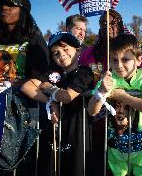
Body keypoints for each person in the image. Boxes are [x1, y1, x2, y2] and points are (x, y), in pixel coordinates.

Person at [0, 0, 49, 175]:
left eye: (10, 5)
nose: (4, 8)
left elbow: (36, 80)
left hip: (16, 115)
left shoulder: (34, 40)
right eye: (1, 4)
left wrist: (0, 89)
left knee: (8, 169)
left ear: (22, 11)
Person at [88, 33, 142, 176]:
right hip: (117, 150)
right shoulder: (109, 77)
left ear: (138, 60)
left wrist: (122, 95)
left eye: (125, 59)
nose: (119, 66)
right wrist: (101, 91)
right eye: (114, 60)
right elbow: (92, 111)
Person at [21, 32, 94, 176]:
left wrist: (48, 87)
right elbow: (26, 87)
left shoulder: (84, 72)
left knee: (76, 170)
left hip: (77, 133)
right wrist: (50, 101)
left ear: (78, 50)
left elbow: (67, 96)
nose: (61, 54)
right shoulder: (52, 73)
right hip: (53, 135)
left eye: (66, 49)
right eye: (55, 53)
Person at [78, 9, 125, 175]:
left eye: (112, 23)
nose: (108, 26)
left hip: (122, 116)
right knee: (98, 161)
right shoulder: (89, 53)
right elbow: (80, 78)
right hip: (95, 116)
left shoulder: (128, 49)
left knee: (120, 162)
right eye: (103, 23)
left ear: (120, 25)